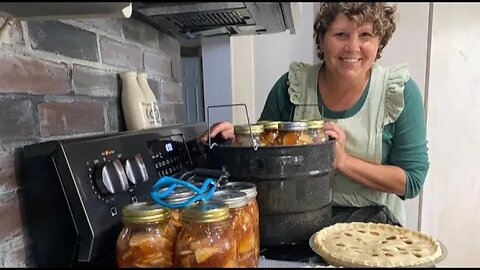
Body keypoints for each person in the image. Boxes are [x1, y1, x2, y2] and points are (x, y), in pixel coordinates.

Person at [199, 2, 429, 227]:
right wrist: (238, 139)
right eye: (341, 34)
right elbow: (263, 156)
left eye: (366, 35)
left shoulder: (399, 92)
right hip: (297, 222)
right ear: (321, 39)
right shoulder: (292, 86)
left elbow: (411, 181)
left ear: (379, 42)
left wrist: (343, 162)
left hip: (377, 228)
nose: (353, 47)